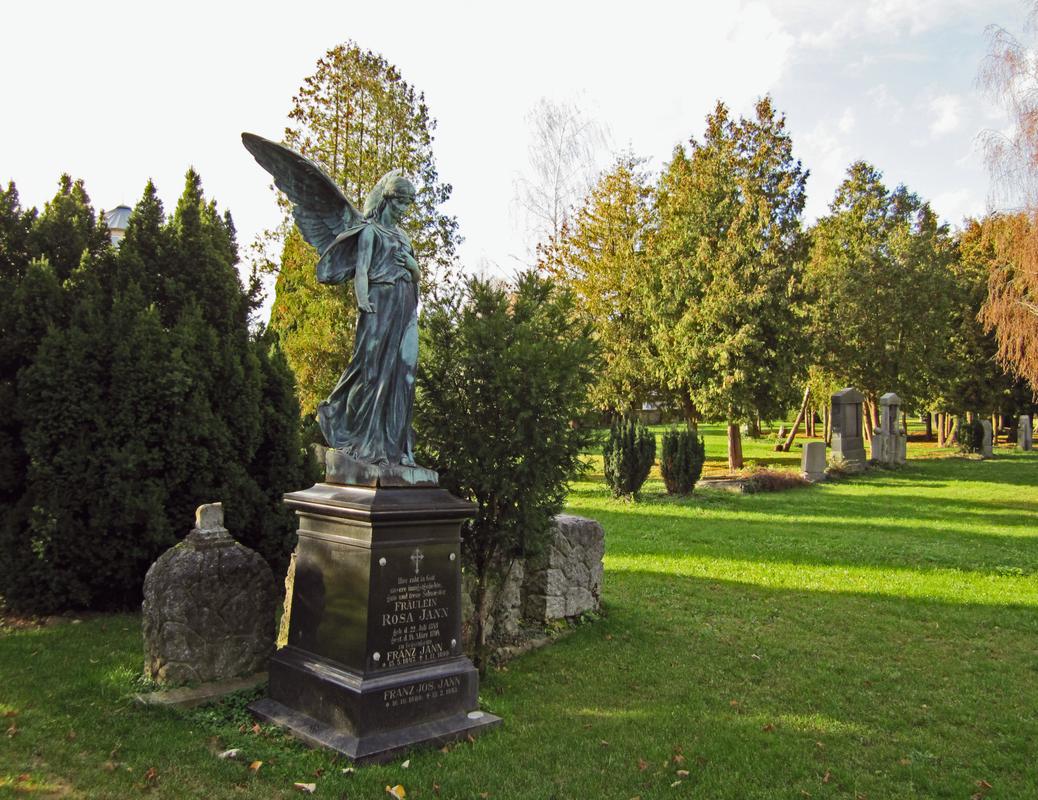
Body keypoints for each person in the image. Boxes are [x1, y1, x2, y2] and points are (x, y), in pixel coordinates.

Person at [316, 172, 421, 466]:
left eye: (408, 204)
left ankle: (397, 448)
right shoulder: (370, 232)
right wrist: (362, 300)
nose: (404, 210)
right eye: (401, 203)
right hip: (378, 303)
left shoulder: (403, 236)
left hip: (404, 304)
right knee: (371, 370)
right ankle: (366, 441)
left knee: (403, 373)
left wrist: (414, 267)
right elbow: (361, 270)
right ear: (388, 199)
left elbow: (415, 276)